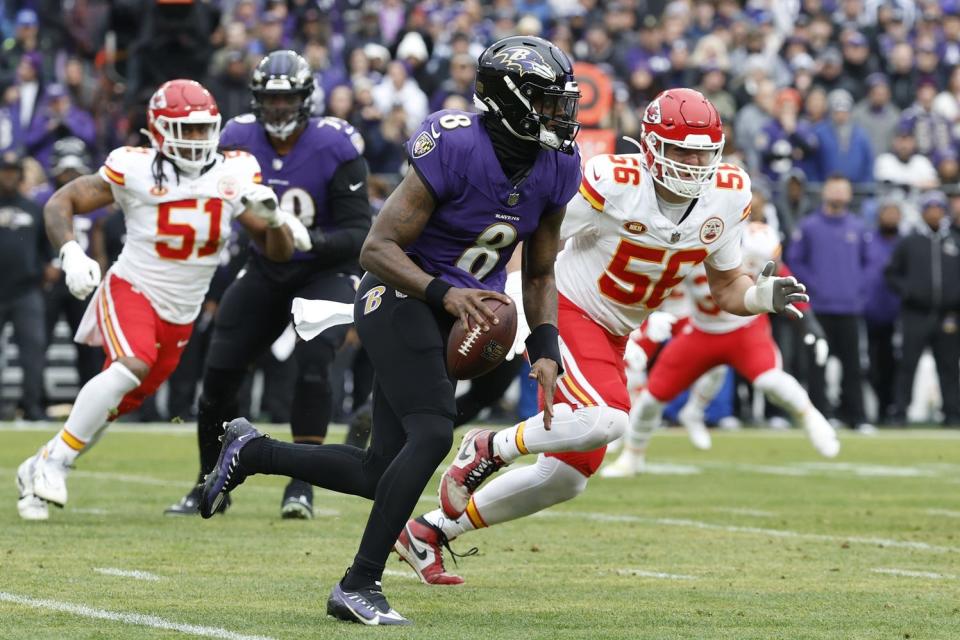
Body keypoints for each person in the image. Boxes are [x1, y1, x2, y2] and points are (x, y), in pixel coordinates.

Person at [198, 36, 584, 625]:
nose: (562, 114)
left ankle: (254, 451)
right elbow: (376, 247)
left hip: (458, 308)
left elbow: (538, 270)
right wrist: (444, 293)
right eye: (547, 101)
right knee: (431, 435)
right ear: (509, 100)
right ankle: (359, 584)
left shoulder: (557, 165)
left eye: (563, 102)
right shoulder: (455, 144)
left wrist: (546, 347)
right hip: (400, 294)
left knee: (379, 471)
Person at [394, 88, 808, 587]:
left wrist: (762, 297)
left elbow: (726, 288)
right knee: (608, 420)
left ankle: (429, 532)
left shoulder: (729, 194)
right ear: (651, 145)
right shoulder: (614, 181)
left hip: (616, 333)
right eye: (680, 149)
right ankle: (489, 447)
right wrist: (504, 301)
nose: (693, 161)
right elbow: (533, 232)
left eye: (703, 149)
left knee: (566, 478)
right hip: (565, 308)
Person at [15, 79, 305, 521]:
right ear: (158, 129)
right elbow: (62, 201)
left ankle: (37, 464)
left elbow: (278, 252)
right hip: (133, 288)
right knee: (130, 366)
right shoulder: (133, 167)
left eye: (203, 129)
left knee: (114, 405)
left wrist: (275, 221)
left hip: (182, 313)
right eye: (185, 130)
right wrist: (71, 253)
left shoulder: (233, 171)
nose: (196, 139)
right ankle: (56, 463)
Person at [165, 50, 371, 520]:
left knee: (315, 363)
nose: (278, 109)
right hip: (263, 266)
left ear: (304, 99)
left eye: (287, 99)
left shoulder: (335, 143)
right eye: (270, 100)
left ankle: (301, 487)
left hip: (324, 269)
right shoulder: (235, 137)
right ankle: (209, 483)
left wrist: (306, 239)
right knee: (219, 370)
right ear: (258, 100)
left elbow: (360, 233)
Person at [602, 220, 839, 478]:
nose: (758, 266)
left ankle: (811, 418)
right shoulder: (694, 247)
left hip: (745, 329)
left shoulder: (756, 247)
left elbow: (786, 284)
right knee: (651, 399)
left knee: (770, 380)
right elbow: (657, 282)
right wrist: (653, 315)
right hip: (702, 330)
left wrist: (810, 327)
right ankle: (632, 457)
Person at [787, 175, 873, 433]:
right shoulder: (809, 226)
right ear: (825, 192)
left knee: (853, 366)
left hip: (849, 308)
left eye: (842, 189)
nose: (837, 194)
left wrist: (858, 288)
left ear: (849, 194)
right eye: (833, 188)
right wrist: (814, 288)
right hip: (818, 309)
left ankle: (856, 417)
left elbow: (870, 264)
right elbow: (795, 261)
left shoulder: (858, 227)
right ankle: (819, 416)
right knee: (816, 366)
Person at [34, 137, 108, 389]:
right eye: (65, 169)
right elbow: (33, 239)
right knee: (38, 341)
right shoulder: (43, 198)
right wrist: (43, 265)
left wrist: (100, 273)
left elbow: (98, 240)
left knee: (89, 346)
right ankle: (34, 401)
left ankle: (90, 400)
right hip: (51, 277)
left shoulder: (94, 199)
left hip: (85, 277)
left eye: (74, 170)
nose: (69, 174)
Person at [884, 191, 960, 426]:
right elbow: (891, 273)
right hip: (915, 313)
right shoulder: (910, 241)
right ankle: (899, 413)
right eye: (930, 208)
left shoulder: (954, 241)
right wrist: (908, 291)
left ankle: (952, 414)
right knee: (908, 365)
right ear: (923, 212)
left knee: (948, 367)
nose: (935, 213)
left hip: (948, 315)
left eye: (939, 208)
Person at [0, 149, 51, 421]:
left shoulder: (33, 208)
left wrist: (51, 264)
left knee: (33, 350)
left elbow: (46, 246)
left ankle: (32, 407)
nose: (8, 177)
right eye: (4, 171)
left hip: (26, 290)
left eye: (12, 172)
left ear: (19, 175)